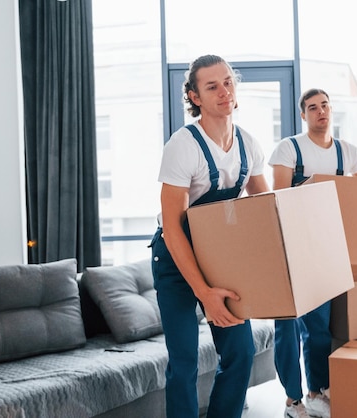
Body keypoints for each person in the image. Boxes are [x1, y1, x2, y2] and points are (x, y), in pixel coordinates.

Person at [150, 54, 270, 418]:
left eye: (228, 82)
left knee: (240, 353)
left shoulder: (249, 144)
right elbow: (173, 228)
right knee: (185, 360)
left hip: (220, 256)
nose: (224, 91)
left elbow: (266, 212)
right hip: (175, 257)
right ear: (195, 96)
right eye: (212, 86)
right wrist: (204, 293)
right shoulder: (182, 146)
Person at [268, 88, 357, 418]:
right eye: (312, 107)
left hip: (325, 249)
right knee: (286, 328)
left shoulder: (348, 153)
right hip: (289, 247)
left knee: (319, 328)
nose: (320, 111)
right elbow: (278, 199)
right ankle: (291, 400)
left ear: (331, 110)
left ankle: (316, 392)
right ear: (304, 115)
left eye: (325, 105)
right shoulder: (289, 148)